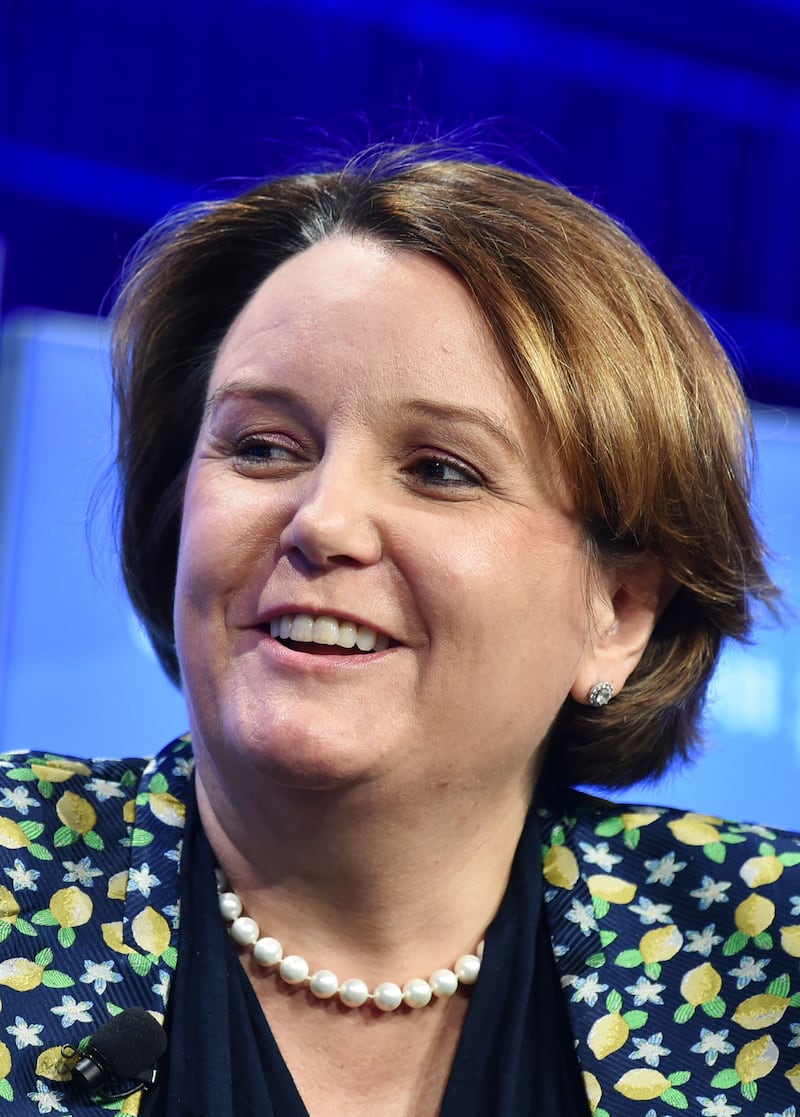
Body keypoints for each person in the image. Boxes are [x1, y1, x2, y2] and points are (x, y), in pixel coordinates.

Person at [0, 144, 798, 1117]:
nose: (321, 520)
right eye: (261, 447)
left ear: (618, 613)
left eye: (438, 468)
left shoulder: (771, 953)